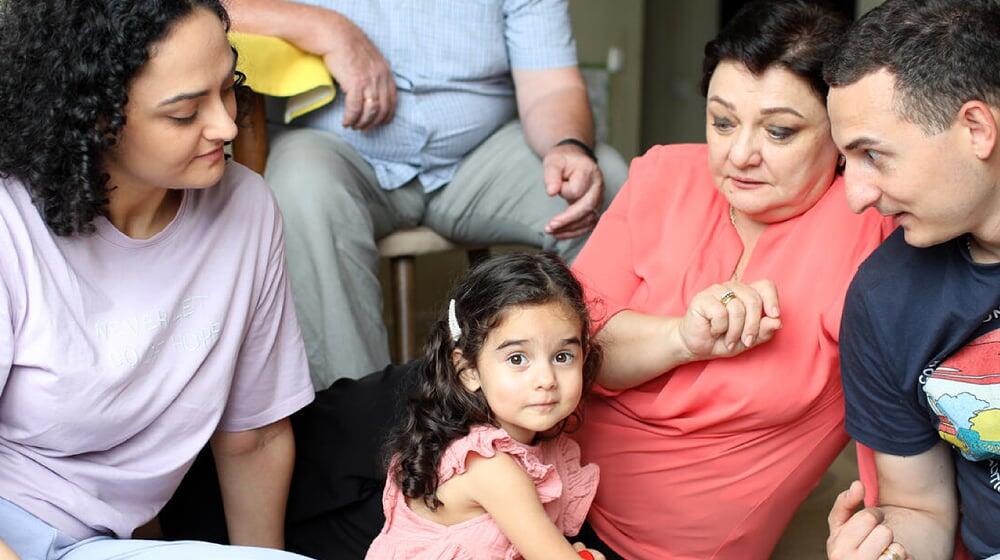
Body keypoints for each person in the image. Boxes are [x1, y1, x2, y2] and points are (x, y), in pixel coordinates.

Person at [566, 1, 895, 558]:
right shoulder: (664, 175)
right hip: (530, 474)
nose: (740, 155)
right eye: (722, 122)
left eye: (780, 131)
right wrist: (682, 338)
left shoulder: (871, 223)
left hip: (651, 547)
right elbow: (569, 348)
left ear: (841, 135)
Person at [0, 1, 316, 559]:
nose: (225, 124)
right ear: (96, 118)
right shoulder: (9, 223)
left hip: (109, 537)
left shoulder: (246, 208)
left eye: (229, 86)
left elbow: (256, 436)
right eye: (184, 113)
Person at [224, 0, 629, 390]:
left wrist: (567, 145)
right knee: (300, 191)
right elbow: (200, 8)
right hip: (337, 151)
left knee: (603, 177)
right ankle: (362, 428)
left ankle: (592, 403)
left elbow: (551, 86)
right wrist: (324, 26)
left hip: (478, 154)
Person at [822, 0, 1000, 559]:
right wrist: (884, 548)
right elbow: (920, 506)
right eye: (847, 162)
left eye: (873, 154)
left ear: (976, 128)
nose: (855, 197)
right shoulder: (884, 299)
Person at [365, 253, 604, 560]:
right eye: (517, 358)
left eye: (562, 357)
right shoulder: (490, 466)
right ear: (469, 370)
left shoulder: (537, 447)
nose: (546, 379)